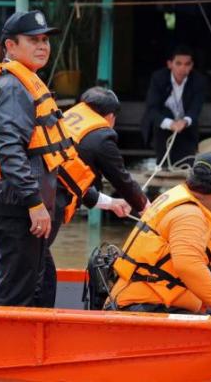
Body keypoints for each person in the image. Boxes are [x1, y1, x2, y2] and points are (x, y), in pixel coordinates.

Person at [0, 11, 77, 307]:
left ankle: (29, 350)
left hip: (20, 205)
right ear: (10, 46)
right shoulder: (12, 87)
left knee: (37, 283)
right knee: (14, 295)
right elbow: (9, 150)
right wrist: (34, 202)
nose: (42, 46)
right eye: (33, 40)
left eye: (45, 39)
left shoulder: (25, 82)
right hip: (17, 207)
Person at [107, 152, 211, 317]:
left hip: (154, 301)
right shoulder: (189, 214)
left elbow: (207, 259)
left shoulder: (187, 201)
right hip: (143, 306)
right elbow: (189, 266)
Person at [38, 87, 151, 307]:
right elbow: (122, 179)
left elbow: (71, 180)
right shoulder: (101, 135)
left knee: (45, 273)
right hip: (41, 210)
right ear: (110, 117)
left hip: (38, 202)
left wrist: (111, 203)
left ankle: (43, 327)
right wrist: (148, 208)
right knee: (34, 275)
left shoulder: (64, 121)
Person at [141, 45, 207, 166]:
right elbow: (152, 108)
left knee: (186, 161)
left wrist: (185, 121)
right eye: (178, 63)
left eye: (187, 64)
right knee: (164, 159)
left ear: (192, 65)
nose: (183, 68)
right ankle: (163, 165)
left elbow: (196, 108)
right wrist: (170, 124)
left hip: (186, 124)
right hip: (162, 124)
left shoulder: (198, 81)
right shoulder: (158, 78)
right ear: (170, 64)